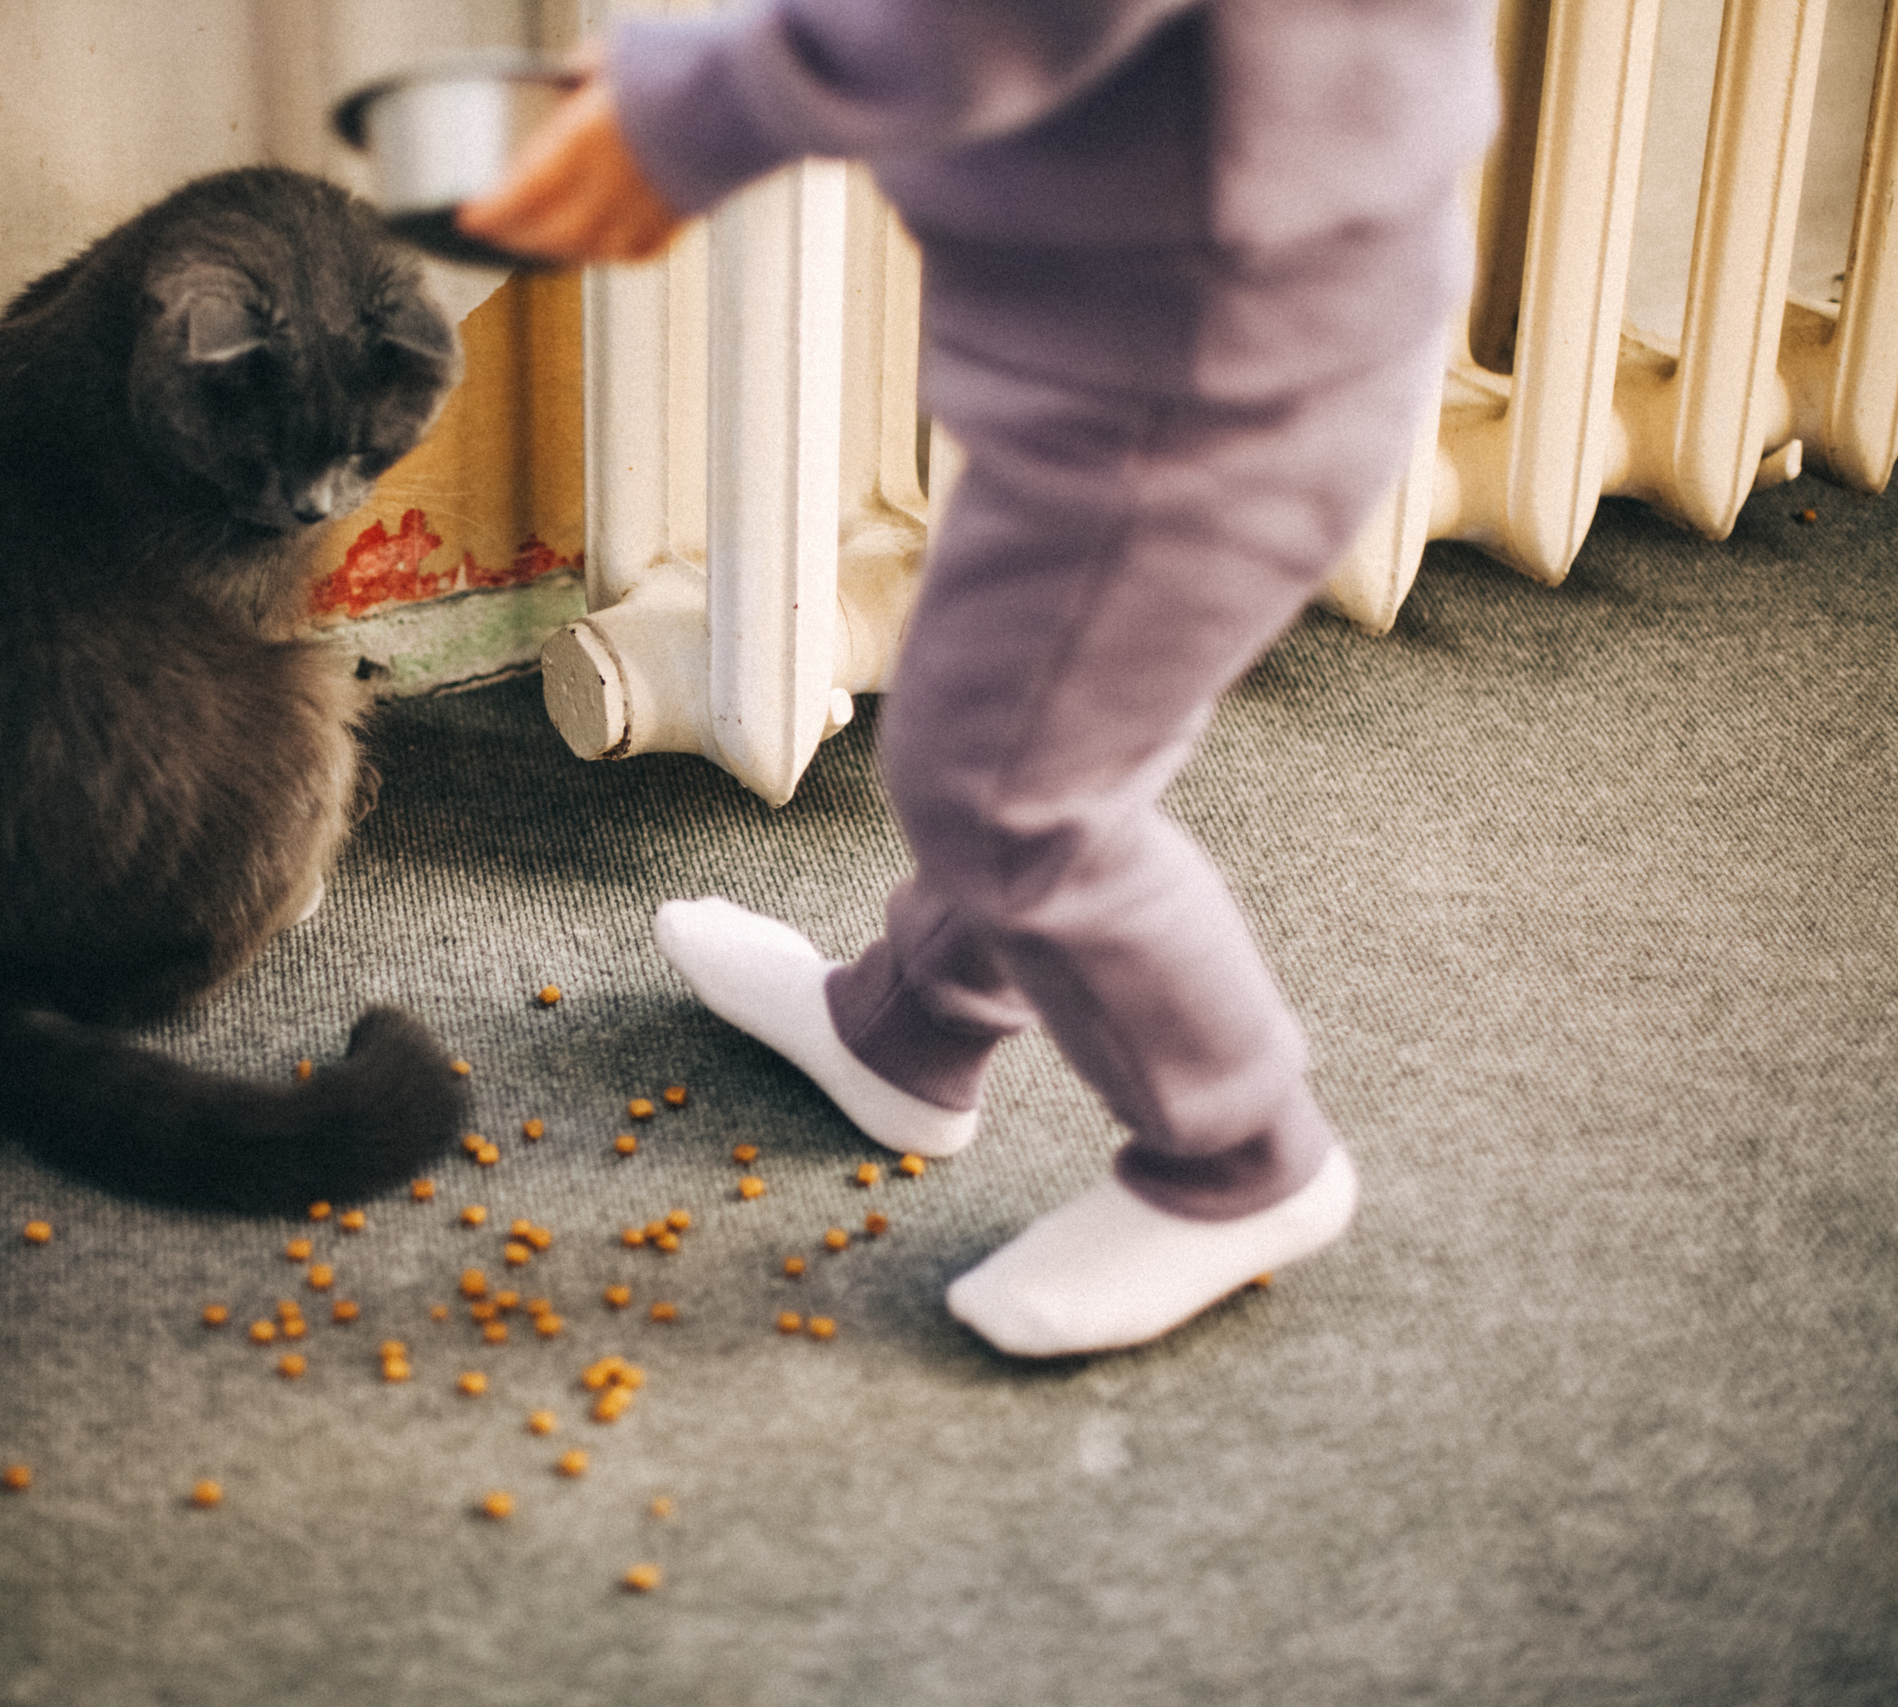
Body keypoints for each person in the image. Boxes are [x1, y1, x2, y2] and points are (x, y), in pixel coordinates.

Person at [457, 0, 1495, 1356]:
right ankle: (906, 1032)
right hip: (1222, 296)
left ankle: (1244, 1158)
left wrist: (700, 101)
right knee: (1044, 726)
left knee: (1009, 785)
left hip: (1211, 361)